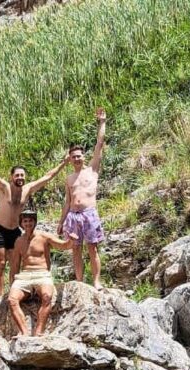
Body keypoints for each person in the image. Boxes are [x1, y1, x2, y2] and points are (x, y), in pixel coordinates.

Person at [0, 140, 70, 296]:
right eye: (17, 175)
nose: (20, 177)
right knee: (1, 263)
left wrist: (63, 163)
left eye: (22, 175)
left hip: (14, 230)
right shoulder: (4, 187)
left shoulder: (28, 189)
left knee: (15, 263)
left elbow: (48, 176)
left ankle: (12, 292)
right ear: (12, 176)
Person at [57, 108, 108, 289]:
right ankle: (79, 282)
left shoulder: (92, 170)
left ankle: (96, 281)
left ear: (83, 157)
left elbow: (99, 144)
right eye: (73, 157)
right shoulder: (69, 178)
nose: (77, 159)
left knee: (92, 248)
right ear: (70, 160)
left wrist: (102, 122)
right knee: (75, 249)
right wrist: (61, 222)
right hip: (73, 216)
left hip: (89, 213)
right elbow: (67, 202)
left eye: (79, 156)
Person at [8, 206, 73, 336]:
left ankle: (39, 332)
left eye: (30, 221)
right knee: (12, 300)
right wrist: (11, 285)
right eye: (25, 221)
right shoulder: (19, 241)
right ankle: (24, 333)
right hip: (24, 276)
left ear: (35, 222)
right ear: (21, 223)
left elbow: (63, 245)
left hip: (42, 274)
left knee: (47, 297)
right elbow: (15, 265)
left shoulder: (44, 237)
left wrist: (71, 240)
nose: (28, 223)